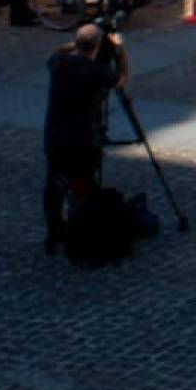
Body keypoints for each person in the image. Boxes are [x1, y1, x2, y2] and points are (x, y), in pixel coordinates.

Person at [43, 22, 127, 254]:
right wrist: (119, 51)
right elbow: (121, 78)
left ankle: (54, 231)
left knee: (55, 184)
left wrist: (81, 41)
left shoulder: (58, 63)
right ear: (98, 46)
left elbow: (59, 51)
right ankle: (84, 232)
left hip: (55, 137)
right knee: (83, 182)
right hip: (82, 140)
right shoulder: (97, 72)